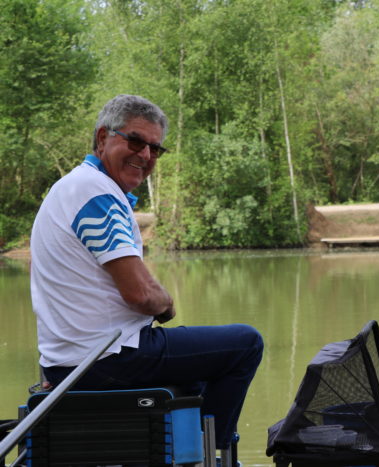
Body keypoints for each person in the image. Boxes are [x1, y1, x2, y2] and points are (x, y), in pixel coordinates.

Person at [30, 94, 264, 451]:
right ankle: (210, 450)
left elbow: (133, 278)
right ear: (102, 138)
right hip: (106, 358)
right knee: (246, 343)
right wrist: (166, 304)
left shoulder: (79, 187)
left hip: (79, 358)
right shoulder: (95, 193)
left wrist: (156, 298)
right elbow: (140, 294)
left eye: (155, 149)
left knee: (201, 368)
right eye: (136, 141)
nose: (145, 155)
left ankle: (186, 445)